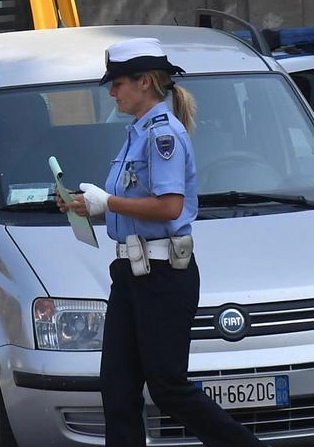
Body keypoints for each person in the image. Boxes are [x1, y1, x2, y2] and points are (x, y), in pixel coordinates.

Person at [57, 38, 266, 447]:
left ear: (147, 82)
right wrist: (94, 208)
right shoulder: (137, 133)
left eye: (118, 83)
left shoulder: (161, 136)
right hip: (132, 274)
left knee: (168, 387)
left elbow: (171, 207)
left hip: (163, 275)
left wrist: (109, 200)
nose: (112, 91)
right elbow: (140, 204)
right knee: (117, 388)